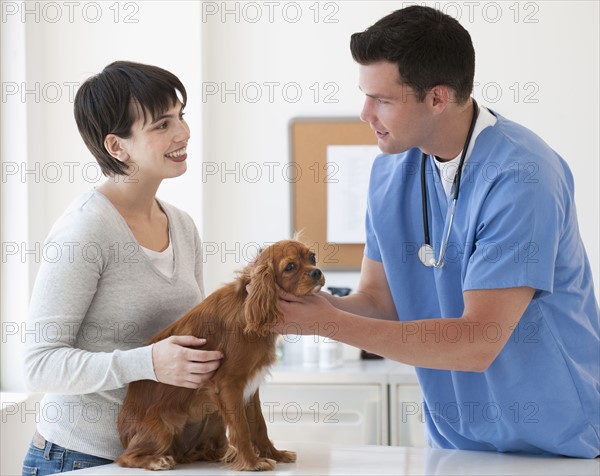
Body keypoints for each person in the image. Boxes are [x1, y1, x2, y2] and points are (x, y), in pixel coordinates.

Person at [278, 6, 599, 458]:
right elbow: (379, 304)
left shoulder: (523, 176)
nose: (365, 113)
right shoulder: (388, 173)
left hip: (554, 443)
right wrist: (294, 305)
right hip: (456, 441)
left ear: (438, 98)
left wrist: (325, 323)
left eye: (383, 100)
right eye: (365, 96)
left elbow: (476, 342)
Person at [21, 61, 223, 476]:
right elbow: (39, 364)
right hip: (79, 458)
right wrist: (146, 362)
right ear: (117, 147)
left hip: (156, 455)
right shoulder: (84, 231)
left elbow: (189, 340)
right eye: (162, 124)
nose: (183, 132)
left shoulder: (182, 225)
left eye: (181, 116)